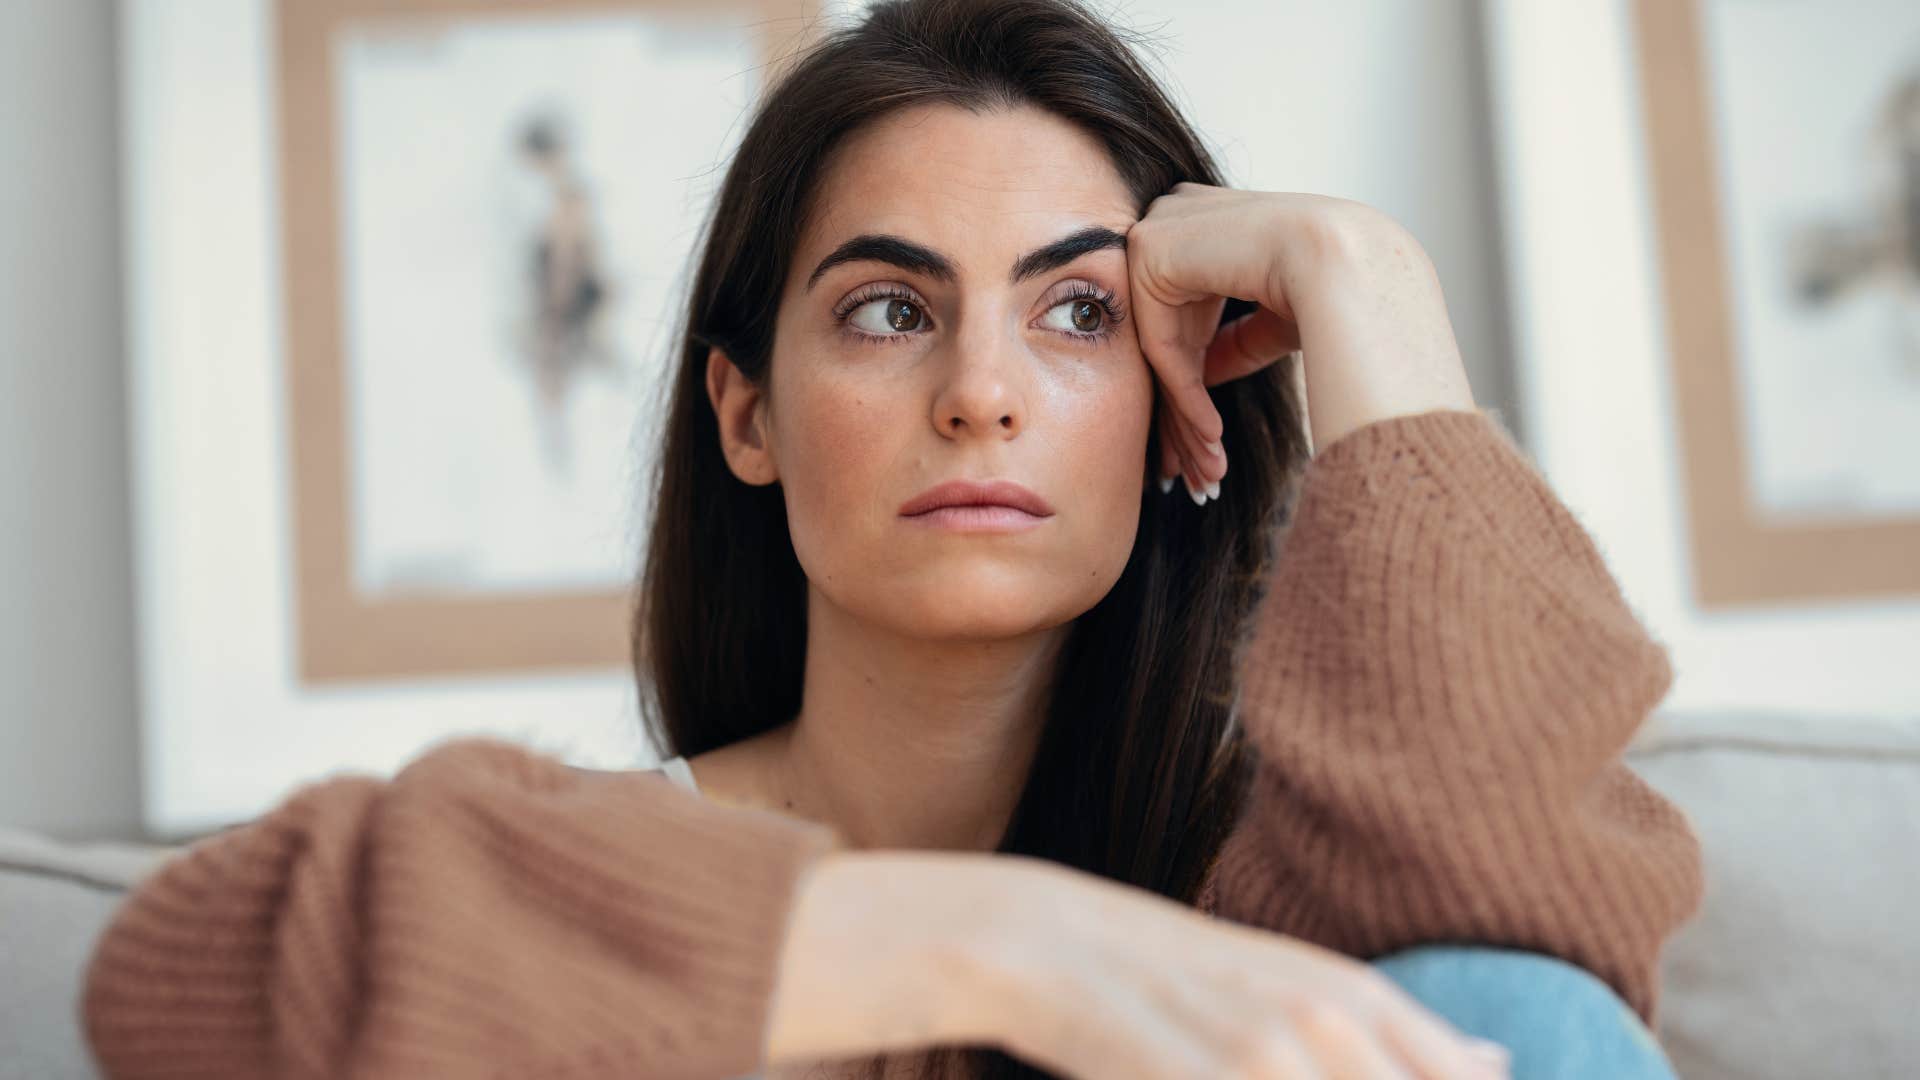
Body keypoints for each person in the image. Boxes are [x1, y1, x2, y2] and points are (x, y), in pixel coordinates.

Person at [78, 1, 1704, 1078]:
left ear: (1166, 409)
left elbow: (1537, 953)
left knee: (1510, 1009)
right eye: (885, 311)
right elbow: (167, 981)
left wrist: (1371, 285)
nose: (982, 394)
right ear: (747, 416)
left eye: (1077, 312)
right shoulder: (567, 903)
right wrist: (993, 945)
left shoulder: (1265, 914)